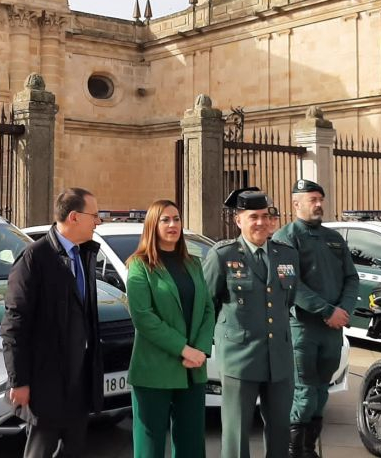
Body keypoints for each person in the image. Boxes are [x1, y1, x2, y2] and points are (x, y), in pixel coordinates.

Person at [1, 187, 104, 458]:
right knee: (41, 449)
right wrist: (18, 380)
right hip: (45, 381)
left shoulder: (85, 254)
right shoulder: (35, 257)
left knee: (74, 449)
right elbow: (15, 323)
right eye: (94, 215)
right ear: (74, 217)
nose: (98, 221)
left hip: (78, 379)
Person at [202, 187, 299, 458]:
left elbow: (286, 301)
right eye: (253, 217)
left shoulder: (287, 255)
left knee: (280, 429)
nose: (261, 223)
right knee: (236, 433)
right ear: (238, 220)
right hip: (239, 357)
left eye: (266, 216)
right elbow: (207, 304)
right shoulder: (223, 255)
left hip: (278, 358)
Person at [273, 179, 359, 458]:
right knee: (304, 391)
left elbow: (351, 277)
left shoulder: (334, 238)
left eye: (320, 199)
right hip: (303, 328)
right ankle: (293, 452)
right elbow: (291, 283)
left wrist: (342, 311)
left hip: (332, 330)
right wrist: (327, 311)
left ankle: (309, 450)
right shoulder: (286, 238)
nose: (319, 204)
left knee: (322, 391)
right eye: (312, 199)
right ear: (296, 204)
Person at [125, 199, 215, 458]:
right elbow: (143, 317)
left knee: (192, 442)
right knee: (150, 444)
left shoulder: (193, 263)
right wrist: (184, 349)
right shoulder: (139, 265)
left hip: (193, 369)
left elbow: (208, 309)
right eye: (165, 219)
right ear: (153, 224)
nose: (172, 224)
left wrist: (199, 349)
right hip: (154, 368)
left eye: (176, 218)